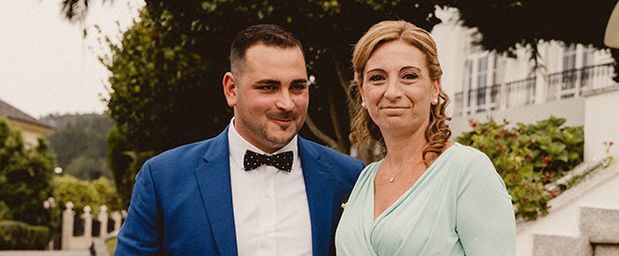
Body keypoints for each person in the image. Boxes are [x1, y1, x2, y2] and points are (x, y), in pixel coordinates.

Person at [116, 24, 365, 256]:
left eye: (298, 87)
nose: (287, 103)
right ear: (231, 89)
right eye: (268, 87)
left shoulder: (350, 178)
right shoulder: (163, 179)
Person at [335, 20, 516, 255]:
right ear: (362, 92)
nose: (392, 92)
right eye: (377, 78)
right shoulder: (364, 179)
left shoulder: (467, 171)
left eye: (409, 76)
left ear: (434, 86)